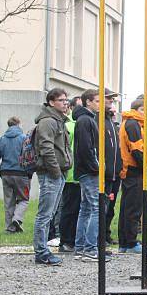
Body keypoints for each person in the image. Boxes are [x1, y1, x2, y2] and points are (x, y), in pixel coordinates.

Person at [33, 88, 72, 266]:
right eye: (62, 100)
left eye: (66, 100)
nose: (65, 103)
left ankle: (43, 250)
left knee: (50, 214)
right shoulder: (48, 121)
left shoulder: (59, 120)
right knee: (45, 214)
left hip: (58, 173)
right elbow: (46, 147)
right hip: (50, 173)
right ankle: (41, 252)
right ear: (51, 102)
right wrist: (56, 171)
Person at [73, 89, 110, 262]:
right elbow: (86, 149)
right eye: (97, 101)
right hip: (89, 171)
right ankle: (90, 248)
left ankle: (81, 247)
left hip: (86, 170)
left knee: (86, 208)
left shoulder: (86, 119)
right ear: (88, 102)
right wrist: (96, 167)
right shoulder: (85, 121)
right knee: (96, 207)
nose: (100, 104)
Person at [118, 96, 147, 253]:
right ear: (139, 110)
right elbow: (137, 149)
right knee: (133, 208)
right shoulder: (133, 124)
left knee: (127, 207)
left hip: (131, 169)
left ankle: (125, 243)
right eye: (146, 109)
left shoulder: (134, 123)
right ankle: (130, 243)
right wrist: (145, 167)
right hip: (134, 170)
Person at [0, 116, 30, 234]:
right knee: (24, 199)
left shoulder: (1, 139)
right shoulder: (24, 138)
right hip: (21, 174)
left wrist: (1, 172)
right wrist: (29, 172)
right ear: (18, 124)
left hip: (6, 174)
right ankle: (17, 219)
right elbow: (30, 157)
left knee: (8, 201)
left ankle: (10, 228)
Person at [58, 103, 80, 253]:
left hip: (81, 173)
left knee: (79, 210)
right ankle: (66, 241)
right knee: (69, 209)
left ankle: (74, 239)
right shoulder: (68, 125)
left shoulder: (77, 123)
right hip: (71, 174)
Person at [102, 91, 122, 245]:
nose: (111, 101)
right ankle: (99, 237)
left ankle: (106, 234)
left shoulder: (111, 123)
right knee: (101, 207)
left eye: (113, 99)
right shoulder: (99, 121)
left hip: (114, 172)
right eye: (108, 98)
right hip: (104, 172)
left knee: (110, 207)